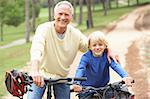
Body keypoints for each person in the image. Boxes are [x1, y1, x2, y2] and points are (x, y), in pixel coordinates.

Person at [27, 1, 120, 99]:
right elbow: (37, 49)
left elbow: (92, 46)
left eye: (66, 14)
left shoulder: (75, 34)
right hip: (40, 74)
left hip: (62, 77)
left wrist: (109, 49)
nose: (63, 17)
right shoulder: (43, 29)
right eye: (60, 14)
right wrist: (35, 70)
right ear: (54, 15)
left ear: (71, 17)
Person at [72, 31, 134, 98]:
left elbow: (115, 66)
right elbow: (81, 69)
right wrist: (76, 83)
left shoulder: (107, 55)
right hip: (87, 89)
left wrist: (125, 76)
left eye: (100, 44)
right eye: (94, 45)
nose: (97, 47)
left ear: (105, 46)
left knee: (121, 93)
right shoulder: (86, 57)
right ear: (89, 47)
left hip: (104, 87)